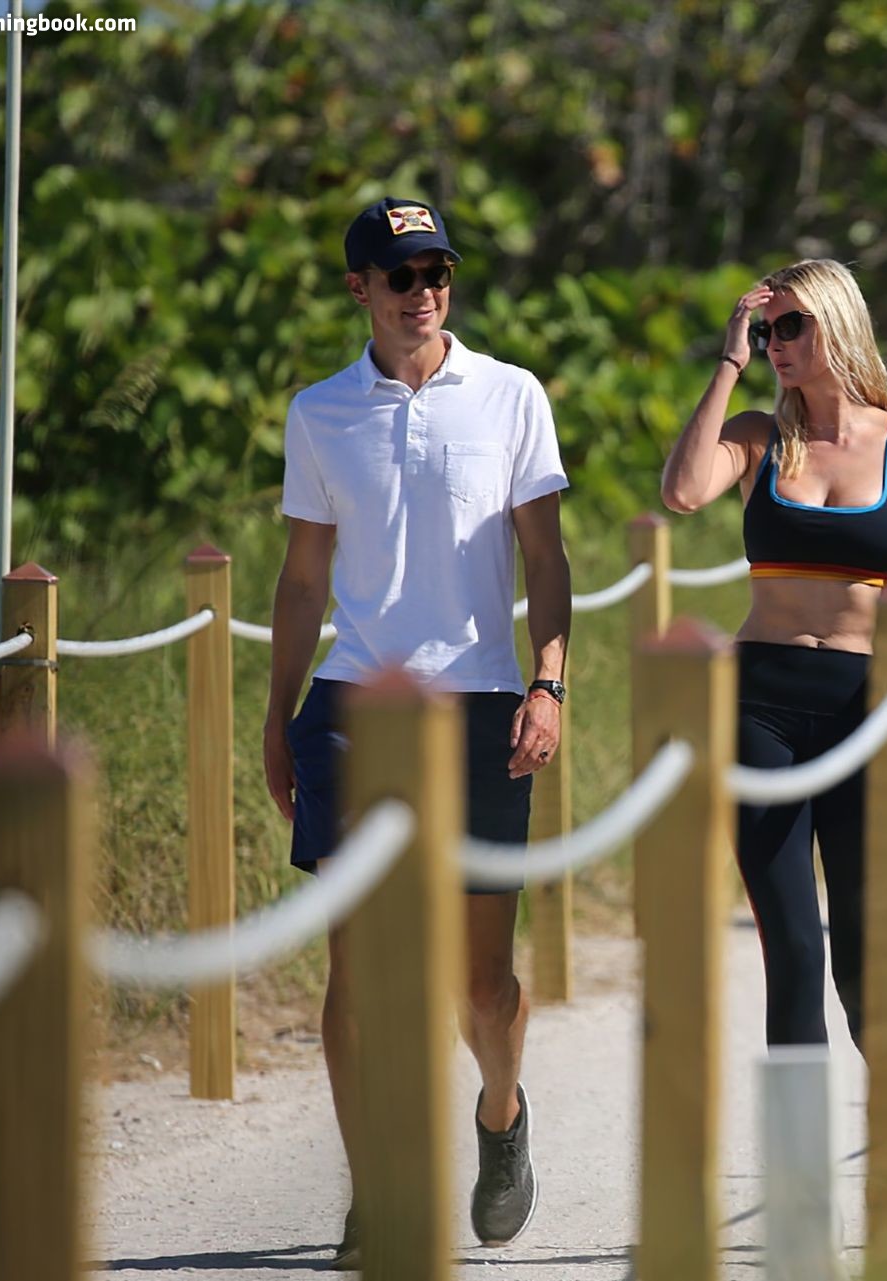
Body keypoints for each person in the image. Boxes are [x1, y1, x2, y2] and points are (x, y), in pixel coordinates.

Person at [261, 196, 571, 1267]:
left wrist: (549, 684)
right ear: (361, 288)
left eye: (437, 272)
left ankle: (501, 1111)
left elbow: (547, 559)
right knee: (358, 972)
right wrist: (277, 718)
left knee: (480, 986)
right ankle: (377, 1191)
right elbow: (302, 580)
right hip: (354, 707)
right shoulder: (319, 412)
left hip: (482, 704)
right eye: (402, 275)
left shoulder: (512, 395)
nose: (424, 291)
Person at [660, 259, 887, 1050]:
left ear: (840, 323)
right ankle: (801, 1134)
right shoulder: (757, 436)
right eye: (767, 330)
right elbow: (683, 492)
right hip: (760, 701)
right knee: (793, 946)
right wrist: (728, 363)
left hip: (868, 704)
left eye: (793, 325)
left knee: (863, 950)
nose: (776, 343)